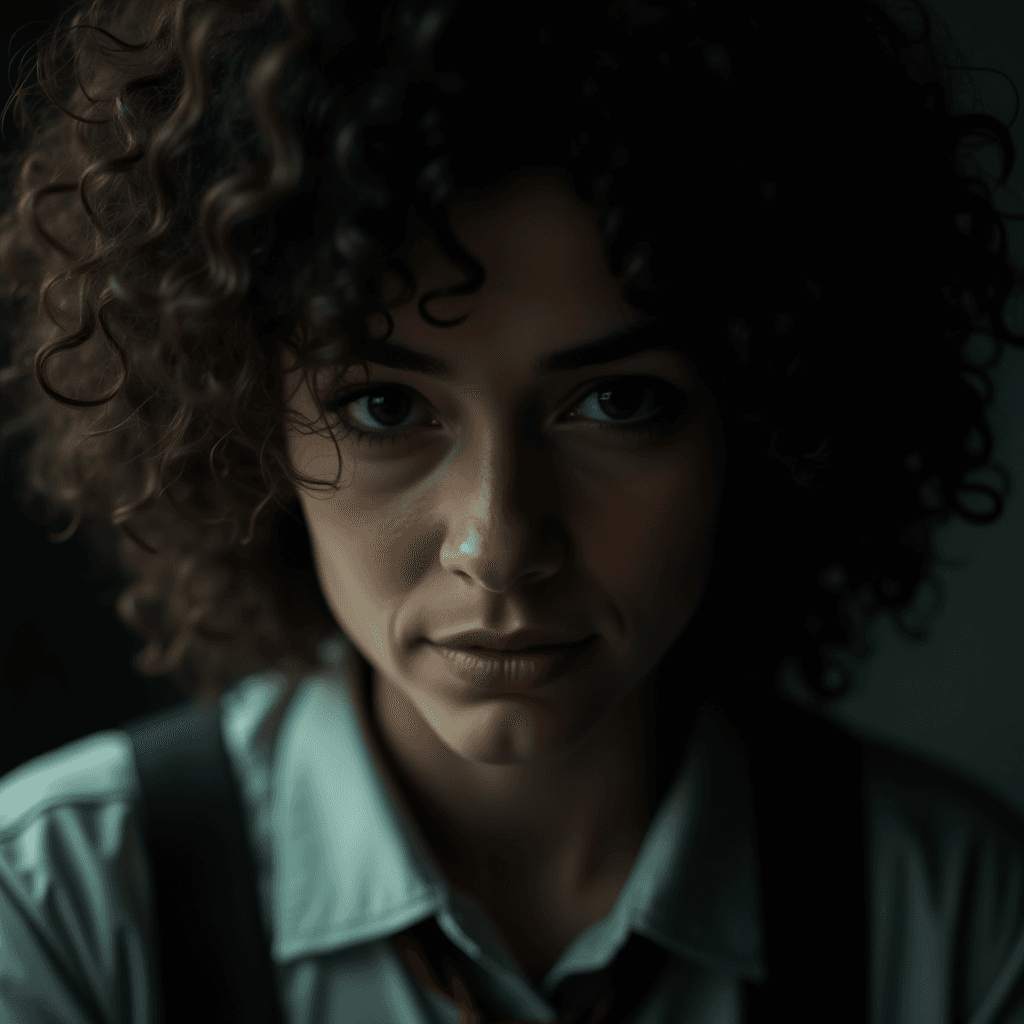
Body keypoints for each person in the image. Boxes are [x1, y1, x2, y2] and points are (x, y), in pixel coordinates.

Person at [0, 0, 1022, 1021]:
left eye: (618, 402)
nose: (497, 543)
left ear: (763, 415)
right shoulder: (58, 907)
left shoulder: (957, 918)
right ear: (242, 417)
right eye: (384, 406)